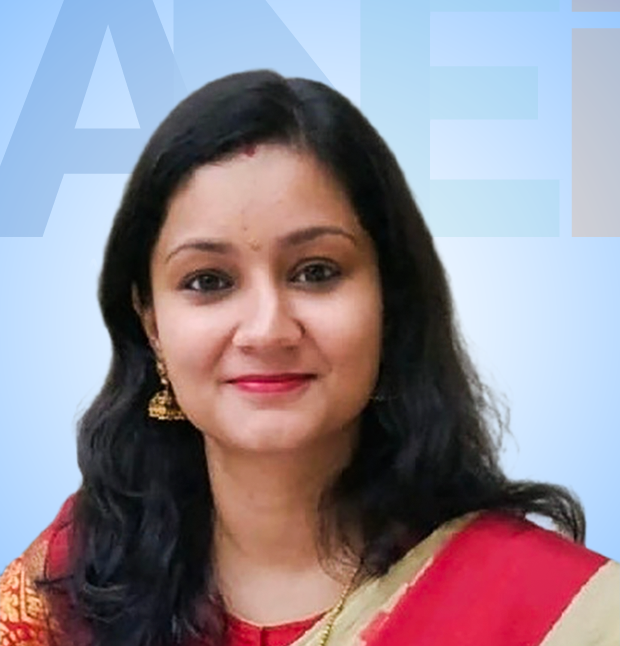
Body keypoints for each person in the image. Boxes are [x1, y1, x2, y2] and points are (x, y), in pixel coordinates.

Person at [0, 70, 617, 646]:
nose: (267, 330)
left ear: (390, 303)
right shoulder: (80, 578)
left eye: (316, 272)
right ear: (151, 322)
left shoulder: (557, 613)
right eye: (208, 281)